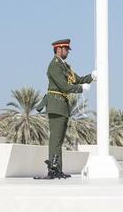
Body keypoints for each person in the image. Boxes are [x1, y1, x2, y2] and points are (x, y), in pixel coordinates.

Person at [35, 39, 97, 179]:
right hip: (56, 105)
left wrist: (91, 77)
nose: (68, 51)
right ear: (58, 49)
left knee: (59, 139)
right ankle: (52, 169)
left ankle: (58, 169)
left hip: (62, 106)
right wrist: (80, 89)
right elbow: (64, 86)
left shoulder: (65, 66)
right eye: (66, 49)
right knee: (55, 139)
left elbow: (77, 79)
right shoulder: (54, 66)